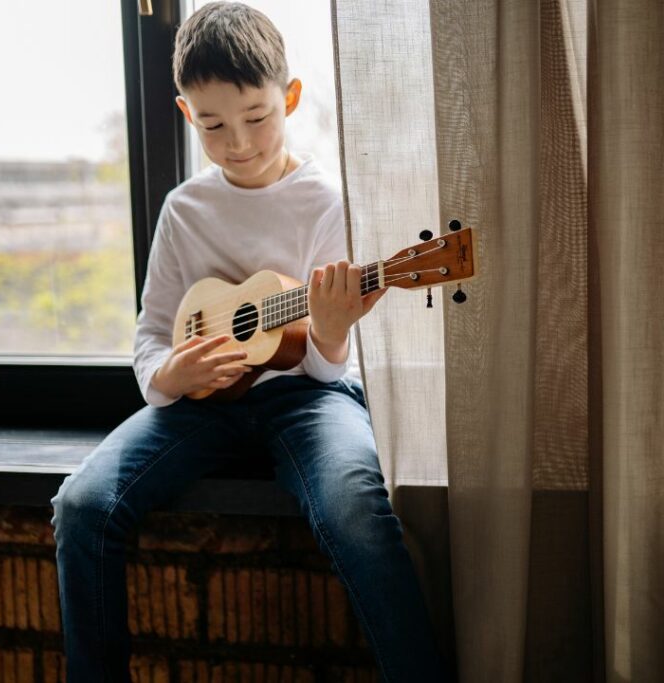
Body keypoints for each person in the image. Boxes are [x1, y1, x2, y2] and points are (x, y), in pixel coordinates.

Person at [49, 2, 449, 681]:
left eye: (257, 118)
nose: (238, 141)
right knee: (81, 504)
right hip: (201, 404)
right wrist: (172, 376)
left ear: (289, 98)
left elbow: (325, 371)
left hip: (305, 399)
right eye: (213, 125)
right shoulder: (184, 211)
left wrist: (328, 329)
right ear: (186, 115)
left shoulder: (326, 200)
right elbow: (151, 336)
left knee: (355, 508)